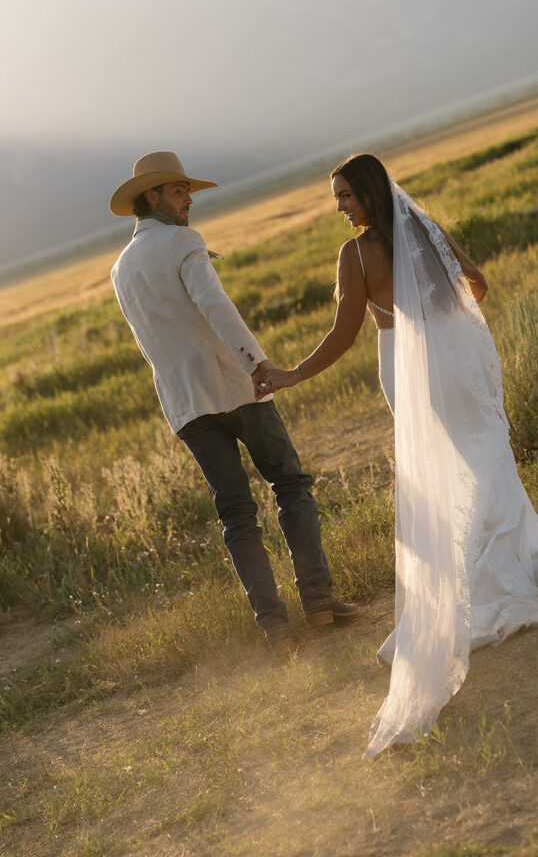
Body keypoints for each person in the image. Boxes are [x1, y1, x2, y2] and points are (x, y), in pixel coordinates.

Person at [254, 153, 538, 755]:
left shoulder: (355, 256)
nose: (340, 209)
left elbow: (344, 332)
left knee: (441, 468)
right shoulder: (423, 229)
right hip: (456, 351)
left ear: (369, 194)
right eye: (337, 199)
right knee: (481, 451)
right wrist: (439, 313)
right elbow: (477, 283)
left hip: (411, 366)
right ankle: (519, 553)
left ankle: (479, 577)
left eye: (346, 198)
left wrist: (290, 373)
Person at [109, 150, 359, 661]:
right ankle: (318, 601)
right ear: (152, 196)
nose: (189, 199)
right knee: (289, 483)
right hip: (233, 385)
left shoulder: (120, 268)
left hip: (184, 404)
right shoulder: (183, 241)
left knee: (236, 513)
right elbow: (214, 305)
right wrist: (257, 363)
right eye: (180, 191)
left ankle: (276, 631)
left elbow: (150, 339)